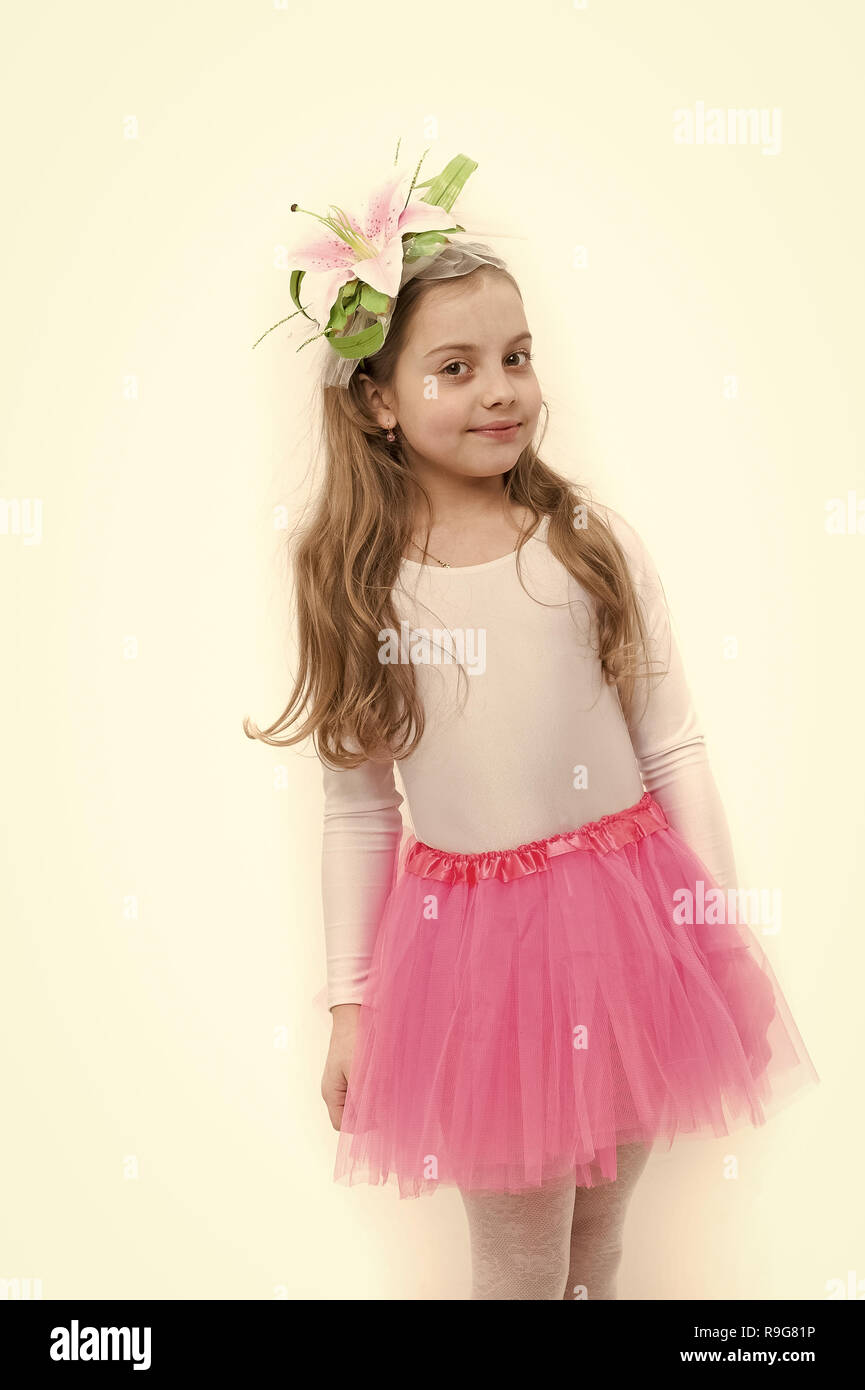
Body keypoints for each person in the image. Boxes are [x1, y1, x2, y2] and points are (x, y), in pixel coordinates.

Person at [248, 147, 819, 1300]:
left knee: (598, 1244)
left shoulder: (583, 541)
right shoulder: (359, 581)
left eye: (515, 357)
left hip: (629, 924)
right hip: (475, 960)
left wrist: (714, 922)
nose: (500, 388)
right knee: (516, 1261)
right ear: (375, 398)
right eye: (453, 368)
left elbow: (673, 744)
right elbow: (359, 806)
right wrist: (351, 1003)